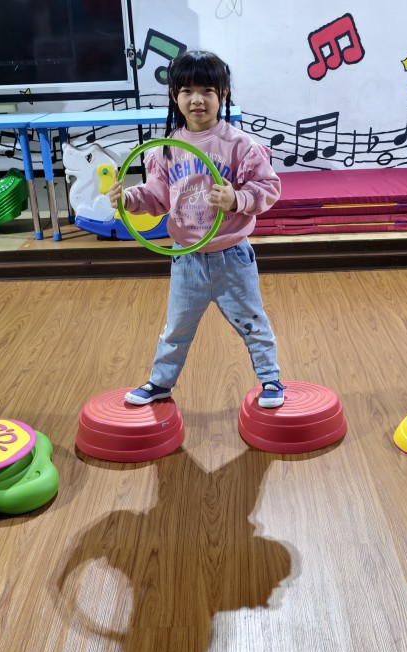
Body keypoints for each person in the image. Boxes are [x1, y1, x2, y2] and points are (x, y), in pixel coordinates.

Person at [109, 50, 286, 408]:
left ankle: (271, 380)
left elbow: (269, 188)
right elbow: (157, 197)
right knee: (176, 328)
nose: (197, 99)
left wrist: (236, 199)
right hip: (186, 259)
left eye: (207, 90)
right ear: (174, 95)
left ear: (223, 94)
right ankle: (160, 384)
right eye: (187, 90)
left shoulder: (240, 145)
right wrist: (128, 199)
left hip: (232, 257)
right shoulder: (166, 150)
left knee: (253, 322)